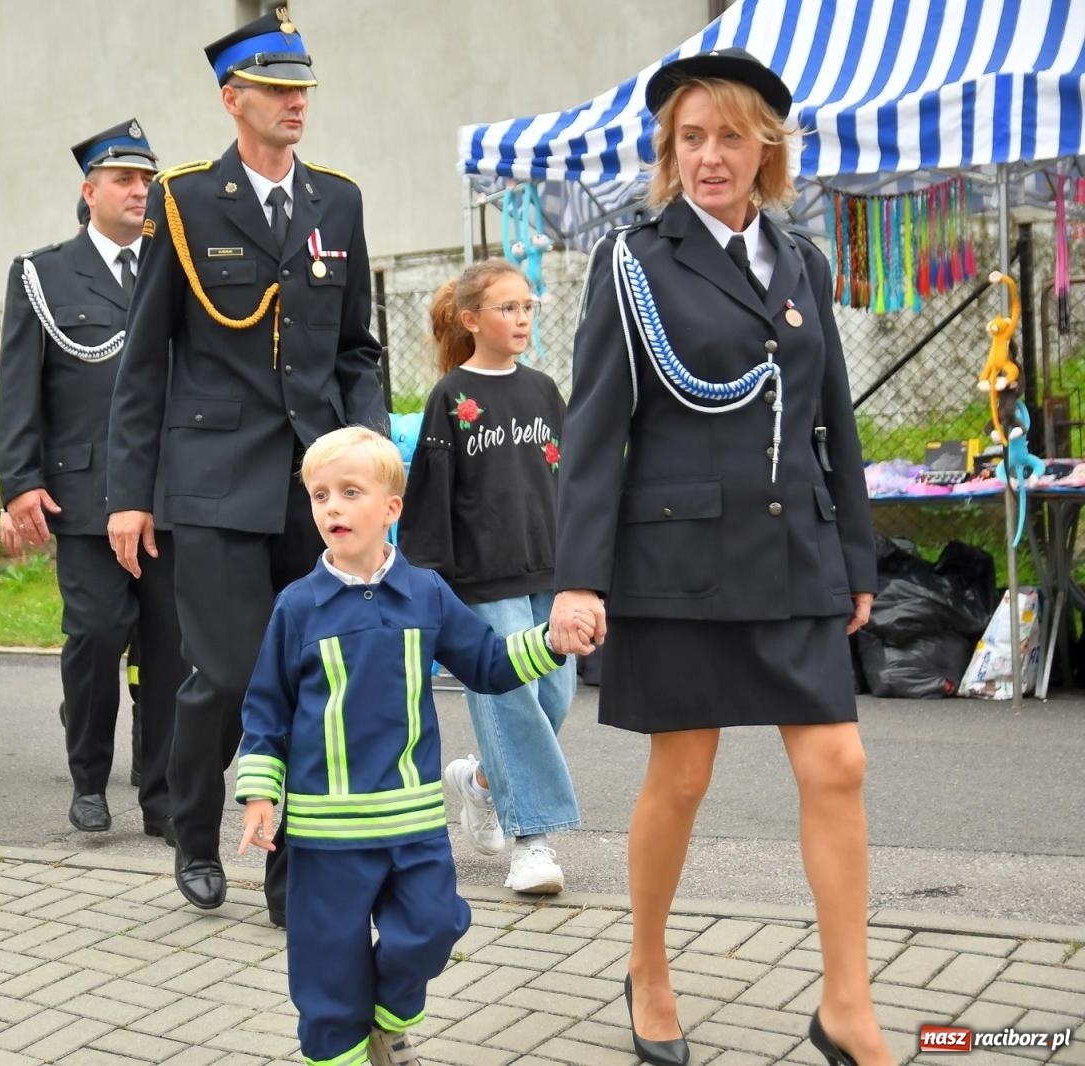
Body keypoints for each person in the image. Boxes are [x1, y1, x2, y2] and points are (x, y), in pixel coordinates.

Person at [548, 49, 887, 1066]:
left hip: (793, 550)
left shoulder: (801, 261)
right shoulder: (634, 263)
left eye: (728, 137)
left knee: (838, 761)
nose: (708, 156)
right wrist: (577, 575)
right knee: (682, 775)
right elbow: (596, 428)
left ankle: (846, 1003)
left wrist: (858, 558)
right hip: (677, 557)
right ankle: (647, 967)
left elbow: (832, 419)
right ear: (668, 151)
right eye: (689, 138)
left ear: (764, 148)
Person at [106, 6, 386, 921]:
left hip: (318, 490)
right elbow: (145, 360)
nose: (295, 103)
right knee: (224, 679)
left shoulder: (336, 201)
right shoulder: (185, 202)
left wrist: (369, 451)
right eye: (276, 89)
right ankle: (195, 825)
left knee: (310, 682)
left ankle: (285, 866)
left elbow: (356, 350)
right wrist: (127, 497)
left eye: (303, 88)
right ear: (233, 99)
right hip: (216, 486)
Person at [236, 427, 563, 1066]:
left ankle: (386, 1019)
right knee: (327, 965)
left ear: (391, 508)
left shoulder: (427, 593)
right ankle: (343, 1049)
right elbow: (265, 710)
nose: (331, 507)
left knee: (435, 926)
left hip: (412, 822)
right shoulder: (298, 607)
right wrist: (258, 795)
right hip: (327, 833)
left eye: (350, 492)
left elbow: (490, 664)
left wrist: (552, 641)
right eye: (319, 494)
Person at [0, 119, 182, 839]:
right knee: (99, 634)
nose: (139, 191)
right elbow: (19, 385)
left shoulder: (175, 263)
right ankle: (88, 777)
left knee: (168, 647)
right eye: (124, 180)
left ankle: (162, 792)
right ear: (90, 190)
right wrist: (19, 482)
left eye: (146, 180)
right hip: (83, 494)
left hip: (166, 493)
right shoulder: (42, 274)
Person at [399, 260, 579, 896]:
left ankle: (477, 783)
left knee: (554, 697)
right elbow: (430, 497)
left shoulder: (544, 390)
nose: (522, 318)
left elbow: (572, 481)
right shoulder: (452, 398)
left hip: (550, 573)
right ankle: (532, 843)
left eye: (528, 306)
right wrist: (427, 587)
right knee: (510, 700)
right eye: (508, 308)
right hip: (481, 581)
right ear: (471, 320)